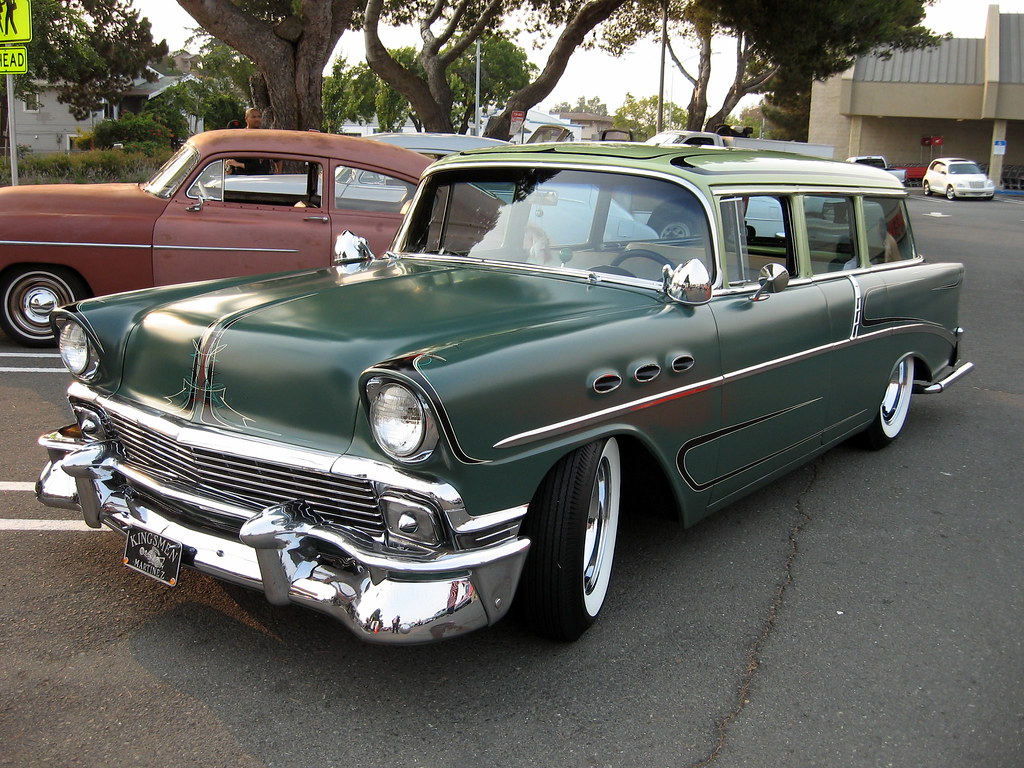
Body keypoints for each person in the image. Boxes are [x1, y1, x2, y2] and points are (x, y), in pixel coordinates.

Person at [226, 107, 280, 174]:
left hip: (262, 176)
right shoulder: (240, 136)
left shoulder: (265, 136)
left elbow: (277, 157)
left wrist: (278, 172)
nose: (257, 119)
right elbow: (230, 157)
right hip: (242, 176)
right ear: (246, 118)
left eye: (259, 117)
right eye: (253, 117)